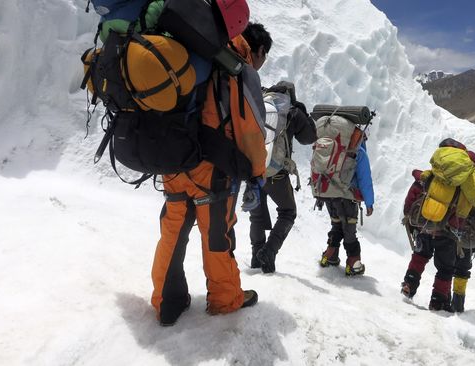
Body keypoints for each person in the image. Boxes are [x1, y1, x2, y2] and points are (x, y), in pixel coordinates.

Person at [150, 4, 268, 326]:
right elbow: (250, 128)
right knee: (217, 235)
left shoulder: (189, 48)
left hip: (175, 158)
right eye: (263, 56)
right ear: (256, 49)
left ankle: (166, 301)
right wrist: (258, 173)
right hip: (212, 169)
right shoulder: (236, 63)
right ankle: (225, 299)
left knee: (173, 230)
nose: (260, 62)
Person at [400, 138, 475, 311]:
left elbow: (413, 195)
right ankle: (438, 301)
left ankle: (409, 285)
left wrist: (410, 219)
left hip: (425, 225)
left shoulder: (434, 174)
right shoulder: (468, 184)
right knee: (445, 269)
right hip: (449, 233)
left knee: (419, 256)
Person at [249, 81, 317, 273]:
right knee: (288, 211)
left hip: (254, 168)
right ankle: (268, 252)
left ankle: (256, 256)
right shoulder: (292, 111)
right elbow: (310, 137)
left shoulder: (260, 103)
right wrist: (303, 112)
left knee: (257, 214)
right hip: (276, 173)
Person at [317, 131, 375, 276]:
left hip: (329, 195)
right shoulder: (358, 152)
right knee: (349, 230)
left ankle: (330, 255)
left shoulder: (333, 148)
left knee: (336, 225)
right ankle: (354, 263)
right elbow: (365, 179)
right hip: (348, 198)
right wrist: (369, 202)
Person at [452, 152, 475, 313]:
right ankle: (458, 304)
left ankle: (442, 300)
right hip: (469, 236)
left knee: (447, 267)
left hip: (452, 232)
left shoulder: (456, 181)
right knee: (462, 269)